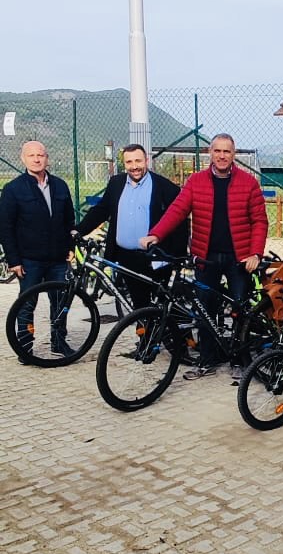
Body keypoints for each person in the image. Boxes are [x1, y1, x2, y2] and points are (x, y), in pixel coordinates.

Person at [140, 133, 268, 380]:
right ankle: (207, 361)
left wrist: (255, 252)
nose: (222, 156)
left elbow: (259, 220)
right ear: (210, 153)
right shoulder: (196, 181)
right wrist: (155, 234)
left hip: (239, 258)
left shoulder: (248, 183)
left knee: (240, 310)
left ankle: (241, 362)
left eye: (227, 152)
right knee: (204, 310)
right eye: (217, 151)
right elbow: (177, 210)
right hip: (205, 257)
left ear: (234, 154)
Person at [74, 144, 189, 310]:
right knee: (138, 305)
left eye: (138, 161)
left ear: (146, 160)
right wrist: (79, 229)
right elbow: (102, 210)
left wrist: (177, 256)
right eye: (129, 162)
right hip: (126, 257)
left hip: (155, 258)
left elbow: (179, 220)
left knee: (163, 307)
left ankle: (171, 335)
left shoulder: (165, 187)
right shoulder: (116, 183)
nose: (134, 166)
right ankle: (145, 335)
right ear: (124, 164)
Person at [0, 141, 75, 357]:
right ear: (23, 159)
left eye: (40, 155)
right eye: (31, 155)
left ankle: (59, 342)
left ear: (47, 158)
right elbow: (5, 228)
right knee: (26, 304)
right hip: (28, 260)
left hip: (58, 259)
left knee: (60, 302)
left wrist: (70, 247)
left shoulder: (60, 186)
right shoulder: (13, 189)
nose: (36, 159)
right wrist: (14, 260)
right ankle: (25, 346)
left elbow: (68, 220)